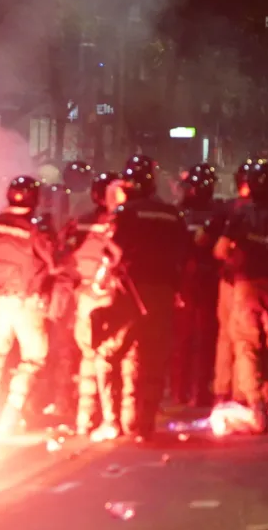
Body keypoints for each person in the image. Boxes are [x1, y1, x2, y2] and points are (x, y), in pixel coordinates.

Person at [97, 155, 188, 442]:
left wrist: (102, 282)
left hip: (128, 293)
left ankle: (112, 420)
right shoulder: (172, 214)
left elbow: (111, 252)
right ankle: (144, 424)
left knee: (109, 353)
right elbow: (184, 254)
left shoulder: (124, 213)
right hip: (162, 295)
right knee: (153, 360)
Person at [212, 162, 268, 433]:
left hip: (246, 285)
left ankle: (254, 403)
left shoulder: (240, 215)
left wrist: (238, 258)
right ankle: (267, 397)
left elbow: (219, 250)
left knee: (247, 345)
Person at [0, 176, 58, 433]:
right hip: (27, 302)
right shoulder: (36, 227)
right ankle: (10, 415)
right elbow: (53, 262)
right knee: (33, 359)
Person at [64, 171, 122, 437]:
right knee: (106, 358)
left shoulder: (81, 221)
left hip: (83, 295)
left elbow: (66, 253)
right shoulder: (118, 222)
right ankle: (110, 417)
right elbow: (117, 258)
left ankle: (84, 418)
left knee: (87, 356)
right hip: (107, 296)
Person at [171, 165, 220, 408]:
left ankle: (181, 390)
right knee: (203, 340)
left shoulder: (178, 213)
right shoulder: (217, 214)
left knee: (185, 339)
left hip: (189, 283)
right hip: (206, 282)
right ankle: (196, 391)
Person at [209, 160, 254, 404]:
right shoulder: (260, 210)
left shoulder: (225, 209)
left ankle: (221, 390)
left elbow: (209, 243)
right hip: (251, 282)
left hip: (228, 279)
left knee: (226, 336)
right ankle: (243, 393)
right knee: (247, 340)